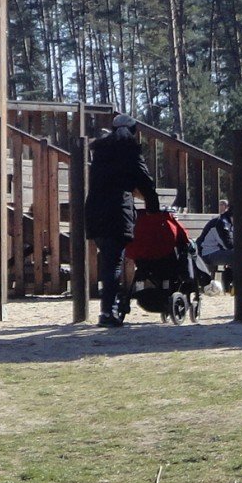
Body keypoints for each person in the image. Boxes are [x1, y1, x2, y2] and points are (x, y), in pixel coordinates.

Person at [82, 114, 159, 327]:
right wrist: (154, 208)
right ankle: (108, 311)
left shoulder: (100, 152)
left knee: (108, 260)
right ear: (133, 131)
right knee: (113, 265)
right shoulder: (130, 151)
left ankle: (110, 307)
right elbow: (145, 182)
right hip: (117, 211)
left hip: (95, 210)